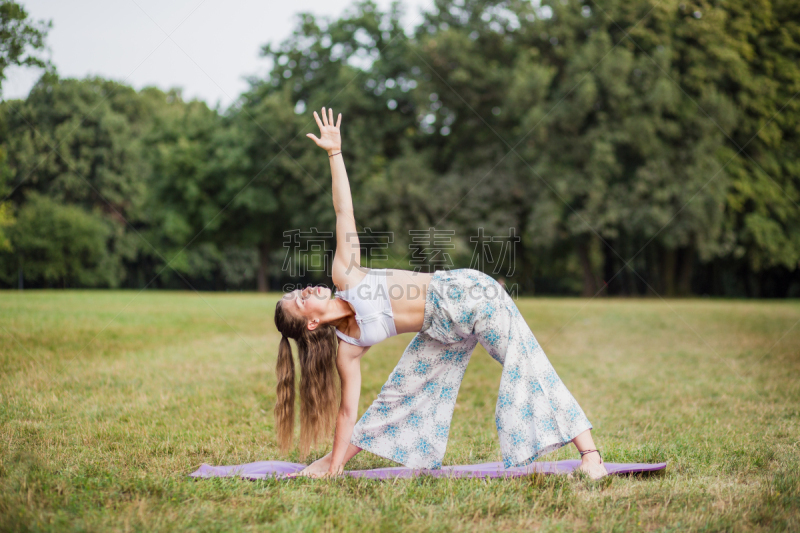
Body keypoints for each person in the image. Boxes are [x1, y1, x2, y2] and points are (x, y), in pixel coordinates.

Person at [273, 107, 608, 480]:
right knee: (397, 395)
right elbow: (347, 412)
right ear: (313, 323)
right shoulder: (347, 350)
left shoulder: (346, 275)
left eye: (300, 291)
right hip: (441, 329)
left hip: (467, 297)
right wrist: (333, 467)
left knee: (525, 361)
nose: (306, 290)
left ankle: (591, 456)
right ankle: (331, 463)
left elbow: (342, 209)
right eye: (301, 300)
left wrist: (335, 153)